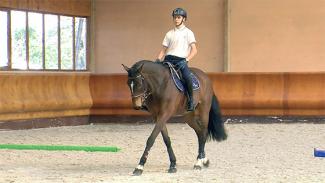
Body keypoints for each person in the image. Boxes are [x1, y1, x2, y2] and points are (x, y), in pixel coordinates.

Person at [156, 7, 198, 111]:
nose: (176, 19)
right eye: (175, 17)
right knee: (155, 76)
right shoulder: (169, 33)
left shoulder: (189, 33)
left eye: (179, 17)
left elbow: (194, 50)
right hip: (168, 59)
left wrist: (186, 60)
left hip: (181, 61)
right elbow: (163, 50)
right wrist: (157, 60)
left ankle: (191, 101)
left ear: (184, 19)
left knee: (187, 77)